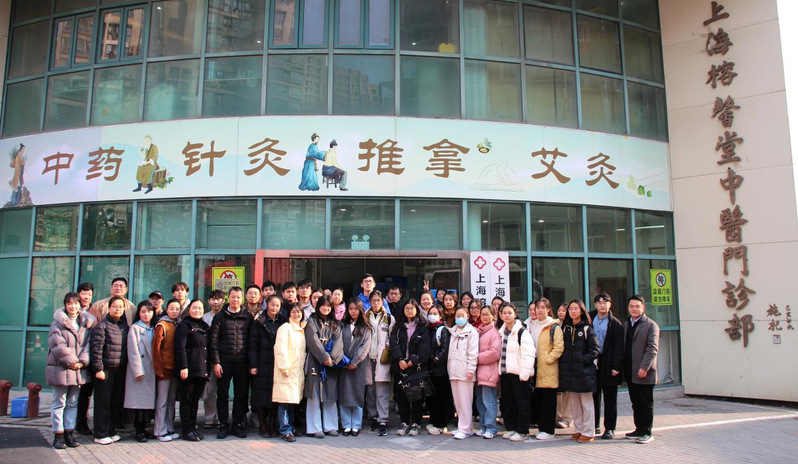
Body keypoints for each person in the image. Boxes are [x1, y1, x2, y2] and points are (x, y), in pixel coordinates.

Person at [47, 292, 93, 449]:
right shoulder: (57, 323)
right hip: (61, 368)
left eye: (75, 303)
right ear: (65, 305)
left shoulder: (86, 322)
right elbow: (57, 345)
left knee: (73, 403)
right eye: (69, 303)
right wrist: (73, 362)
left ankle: (69, 432)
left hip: (78, 369)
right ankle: (58, 435)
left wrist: (82, 362)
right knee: (59, 402)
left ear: (80, 305)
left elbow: (88, 345)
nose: (73, 306)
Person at [208, 286, 254, 439]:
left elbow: (251, 341)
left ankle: (237, 424)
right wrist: (216, 362)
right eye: (233, 297)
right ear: (228, 298)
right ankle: (223, 424)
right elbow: (213, 341)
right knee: (222, 394)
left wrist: (251, 363)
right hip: (224, 362)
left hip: (242, 362)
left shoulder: (247, 316)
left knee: (241, 395)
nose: (235, 300)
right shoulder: (220, 316)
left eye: (238, 297)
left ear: (242, 299)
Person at [90, 296, 129, 445]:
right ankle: (100, 433)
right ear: (109, 308)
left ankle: (111, 431)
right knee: (103, 403)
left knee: (114, 403)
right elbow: (96, 350)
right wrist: (98, 368)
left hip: (119, 370)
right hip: (105, 370)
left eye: (120, 307)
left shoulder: (124, 326)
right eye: (115, 306)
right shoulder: (102, 326)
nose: (118, 309)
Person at [559, 299, 599, 444]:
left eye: (576, 308)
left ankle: (588, 432)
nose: (573, 311)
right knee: (574, 404)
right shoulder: (566, 328)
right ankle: (579, 429)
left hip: (584, 373)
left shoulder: (587, 329)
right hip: (570, 372)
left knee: (586, 404)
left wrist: (583, 361)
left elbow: (594, 350)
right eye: (571, 309)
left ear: (582, 311)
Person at [390, 299, 431, 437]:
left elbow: (425, 348)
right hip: (400, 366)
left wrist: (413, 361)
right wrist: (400, 359)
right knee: (401, 396)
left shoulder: (422, 327)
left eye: (411, 308)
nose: (409, 310)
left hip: (416, 367)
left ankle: (416, 423)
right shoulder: (398, 326)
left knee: (416, 396)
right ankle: (404, 422)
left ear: (416, 310)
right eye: (406, 308)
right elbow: (393, 344)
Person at [304, 295, 343, 437]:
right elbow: (313, 341)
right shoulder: (311, 321)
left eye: (328, 306)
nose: (326, 308)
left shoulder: (335, 324)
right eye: (323, 305)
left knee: (330, 394)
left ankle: (330, 425)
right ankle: (315, 427)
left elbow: (339, 342)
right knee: (313, 395)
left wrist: (332, 358)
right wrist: (323, 357)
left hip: (330, 364)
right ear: (318, 306)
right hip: (315, 361)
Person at [623, 295, 660, 444]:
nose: (634, 309)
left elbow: (652, 348)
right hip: (631, 371)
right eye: (631, 306)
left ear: (643, 308)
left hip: (644, 372)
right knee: (635, 402)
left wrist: (644, 367)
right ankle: (638, 429)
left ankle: (647, 431)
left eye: (637, 306)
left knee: (646, 403)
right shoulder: (626, 324)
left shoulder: (651, 325)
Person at [497, 302, 536, 442]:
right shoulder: (501, 332)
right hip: (505, 373)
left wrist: (525, 374)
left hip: (519, 374)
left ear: (515, 314)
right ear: (501, 315)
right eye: (504, 313)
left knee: (522, 402)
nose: (507, 315)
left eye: (509, 313)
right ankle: (512, 428)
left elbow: (529, 354)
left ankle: (522, 430)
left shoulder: (522, 332)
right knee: (509, 402)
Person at [249, 295, 287, 438]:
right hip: (262, 362)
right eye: (272, 305)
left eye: (277, 306)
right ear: (267, 305)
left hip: (277, 363)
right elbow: (252, 345)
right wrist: (253, 364)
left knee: (275, 395)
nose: (274, 308)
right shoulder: (259, 321)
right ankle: (262, 425)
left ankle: (272, 424)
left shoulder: (283, 321)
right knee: (260, 395)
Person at [175, 299, 210, 441]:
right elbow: (180, 348)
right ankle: (186, 430)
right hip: (189, 369)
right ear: (189, 309)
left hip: (201, 369)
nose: (197, 310)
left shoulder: (205, 326)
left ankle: (193, 428)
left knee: (195, 400)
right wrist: (183, 366)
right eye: (194, 308)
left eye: (200, 308)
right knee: (187, 400)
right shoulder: (184, 326)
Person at [590, 292, 624, 439]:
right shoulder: (590, 318)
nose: (602, 305)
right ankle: (594, 425)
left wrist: (616, 366)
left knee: (610, 398)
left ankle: (610, 428)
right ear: (595, 304)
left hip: (608, 363)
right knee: (593, 395)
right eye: (599, 302)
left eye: (605, 302)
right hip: (593, 361)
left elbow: (618, 347)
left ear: (610, 304)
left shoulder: (615, 323)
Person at [273, 303, 307, 442]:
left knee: (292, 401)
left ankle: (291, 427)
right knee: (284, 402)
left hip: (297, 371)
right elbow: (280, 349)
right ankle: (285, 430)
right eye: (293, 312)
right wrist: (284, 367)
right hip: (286, 370)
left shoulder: (301, 329)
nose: (296, 314)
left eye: (299, 312)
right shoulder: (285, 328)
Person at [338, 298, 372, 436]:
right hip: (343, 364)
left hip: (358, 366)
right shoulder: (342, 325)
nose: (353, 311)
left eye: (356, 309)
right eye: (351, 309)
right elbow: (338, 343)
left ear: (360, 310)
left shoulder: (366, 327)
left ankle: (356, 425)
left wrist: (355, 362)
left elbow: (365, 347)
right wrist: (343, 360)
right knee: (344, 394)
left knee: (357, 394)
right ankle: (346, 425)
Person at [531, 299, 564, 441]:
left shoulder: (554, 327)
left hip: (549, 368)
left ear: (549, 310)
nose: (540, 310)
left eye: (543, 307)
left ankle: (549, 430)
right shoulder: (533, 325)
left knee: (548, 401)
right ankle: (542, 428)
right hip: (536, 368)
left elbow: (559, 347)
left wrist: (548, 359)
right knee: (539, 400)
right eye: (537, 307)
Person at [125, 301, 157, 443]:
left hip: (152, 369)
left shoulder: (155, 328)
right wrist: (137, 370)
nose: (146, 314)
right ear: (138, 313)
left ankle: (144, 429)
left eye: (149, 311)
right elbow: (133, 351)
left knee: (147, 403)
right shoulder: (135, 328)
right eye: (143, 312)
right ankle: (138, 431)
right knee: (138, 403)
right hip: (140, 369)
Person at [447, 306, 479, 440]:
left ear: (467, 316)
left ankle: (466, 429)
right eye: (457, 316)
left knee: (465, 402)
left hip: (465, 372)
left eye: (462, 315)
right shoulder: (453, 331)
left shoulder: (472, 332)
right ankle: (462, 426)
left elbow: (473, 353)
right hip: (453, 370)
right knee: (458, 402)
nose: (460, 318)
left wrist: (471, 370)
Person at [365, 290, 393, 436]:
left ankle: (383, 420)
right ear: (369, 302)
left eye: (378, 300)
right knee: (370, 390)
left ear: (382, 302)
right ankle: (373, 416)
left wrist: (388, 347)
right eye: (373, 300)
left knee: (382, 390)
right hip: (368, 357)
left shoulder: (389, 318)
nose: (376, 303)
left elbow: (393, 337)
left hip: (382, 358)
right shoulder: (365, 316)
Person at [152, 299, 180, 442]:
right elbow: (156, 349)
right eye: (172, 308)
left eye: (177, 309)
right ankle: (159, 430)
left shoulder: (178, 323)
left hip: (175, 368)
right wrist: (158, 368)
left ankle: (169, 427)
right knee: (162, 401)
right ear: (166, 309)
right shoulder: (162, 325)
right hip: (164, 368)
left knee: (171, 401)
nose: (174, 311)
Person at [425, 303, 452, 435]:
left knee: (441, 397)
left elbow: (444, 349)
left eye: (435, 314)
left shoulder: (443, 330)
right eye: (430, 313)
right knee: (432, 398)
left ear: (441, 316)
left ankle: (441, 424)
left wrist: (435, 359)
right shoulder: (428, 329)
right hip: (429, 370)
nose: (432, 316)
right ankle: (433, 421)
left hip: (440, 370)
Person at [475, 305, 501, 439]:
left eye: (487, 314)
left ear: (493, 316)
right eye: (482, 314)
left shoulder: (494, 333)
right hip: (479, 373)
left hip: (489, 373)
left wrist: (476, 357)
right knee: (480, 401)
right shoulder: (479, 331)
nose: (484, 317)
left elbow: (495, 353)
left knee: (489, 401)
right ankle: (483, 426)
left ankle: (491, 427)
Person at [74, 282, 96, 436]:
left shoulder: (95, 312)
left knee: (86, 393)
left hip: (89, 358)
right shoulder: (71, 311)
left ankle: (82, 422)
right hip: (72, 359)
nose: (86, 297)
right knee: (70, 394)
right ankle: (68, 423)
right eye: (83, 293)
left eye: (89, 294)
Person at [202, 289, 225, 429]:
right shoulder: (204, 318)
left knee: (222, 390)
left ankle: (222, 418)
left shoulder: (226, 315)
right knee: (209, 390)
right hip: (209, 359)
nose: (216, 302)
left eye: (219, 299)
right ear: (209, 301)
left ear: (223, 301)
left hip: (225, 358)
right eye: (213, 299)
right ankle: (210, 418)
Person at [555, 302, 571, 429]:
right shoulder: (554, 325)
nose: (561, 312)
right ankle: (557, 416)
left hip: (567, 362)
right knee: (558, 391)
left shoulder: (570, 326)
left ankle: (567, 418)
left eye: (563, 310)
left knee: (567, 392)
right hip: (557, 362)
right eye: (559, 310)